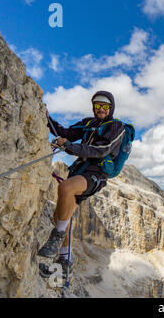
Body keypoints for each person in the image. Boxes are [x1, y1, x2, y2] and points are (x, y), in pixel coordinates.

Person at [38, 90, 125, 277]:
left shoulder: (117, 127)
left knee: (66, 188)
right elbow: (66, 132)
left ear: (111, 108)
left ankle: (56, 237)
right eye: (98, 105)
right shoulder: (88, 123)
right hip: (80, 170)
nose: (101, 109)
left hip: (97, 174)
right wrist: (46, 118)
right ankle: (63, 265)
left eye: (105, 106)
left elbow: (101, 149)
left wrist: (68, 146)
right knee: (61, 217)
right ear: (94, 107)